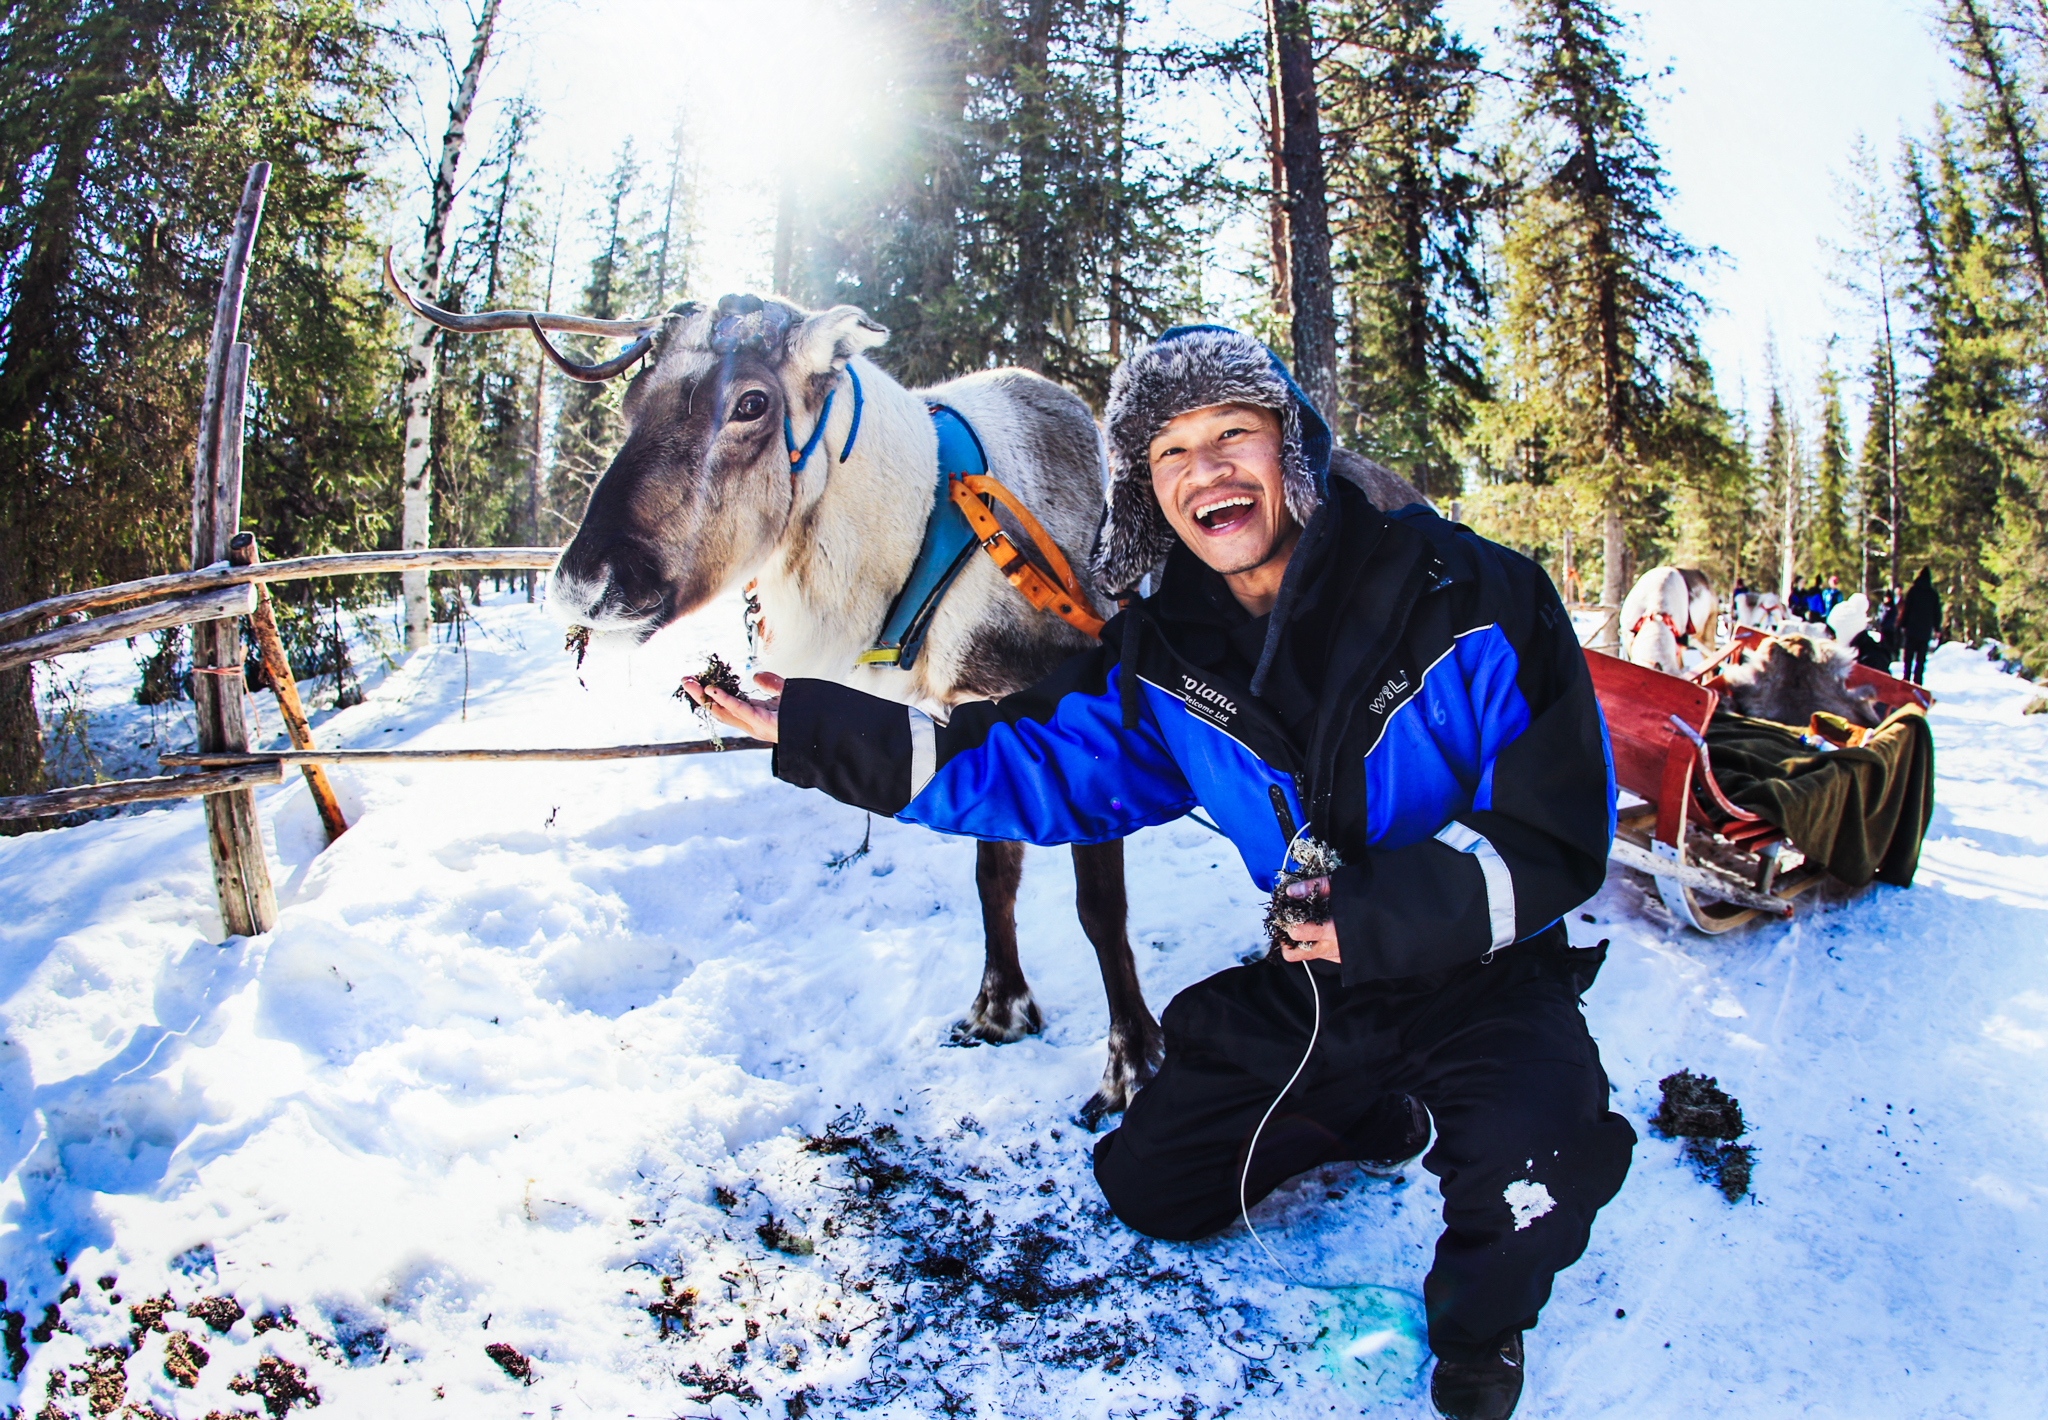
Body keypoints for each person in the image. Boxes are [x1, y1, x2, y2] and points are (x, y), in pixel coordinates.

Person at [686, 326, 1634, 1420]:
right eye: (1169, 451)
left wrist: (1377, 916)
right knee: (1150, 1187)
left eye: (1233, 432)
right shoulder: (1167, 654)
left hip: (1487, 973)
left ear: (1294, 452)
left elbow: (1556, 831)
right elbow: (1028, 760)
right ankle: (1371, 1108)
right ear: (1146, 490)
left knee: (1539, 1161)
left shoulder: (1474, 596)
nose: (1206, 470)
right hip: (1320, 989)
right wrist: (808, 724)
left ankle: (1478, 1332)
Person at [1902, 567, 1941, 684]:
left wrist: (1903, 624)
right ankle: (1918, 681)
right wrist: (1936, 627)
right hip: (1925, 631)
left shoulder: (1913, 591)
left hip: (1912, 629)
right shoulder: (1933, 594)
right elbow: (1937, 612)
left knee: (1908, 656)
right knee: (1921, 658)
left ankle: (1906, 678)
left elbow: (1907, 609)